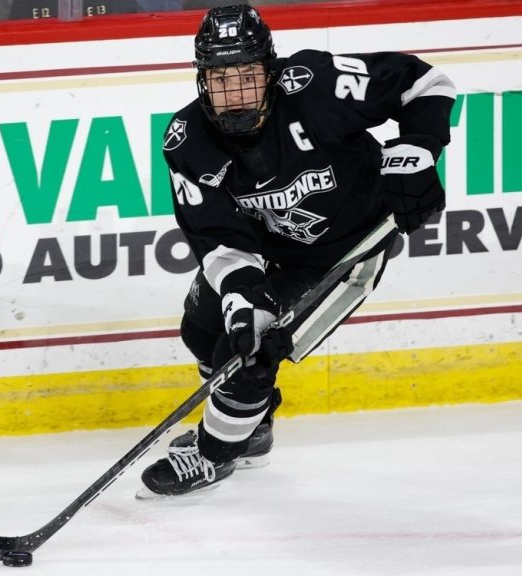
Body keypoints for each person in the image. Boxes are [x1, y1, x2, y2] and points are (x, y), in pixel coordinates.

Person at [137, 4, 455, 498]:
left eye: (248, 75)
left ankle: (217, 453)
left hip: (344, 255)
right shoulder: (188, 141)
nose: (235, 93)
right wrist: (244, 298)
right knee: (203, 327)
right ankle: (252, 423)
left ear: (272, 70)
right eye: (221, 79)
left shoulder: (316, 84)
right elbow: (217, 236)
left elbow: (424, 82)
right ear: (202, 81)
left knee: (249, 358)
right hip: (265, 247)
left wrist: (416, 151)